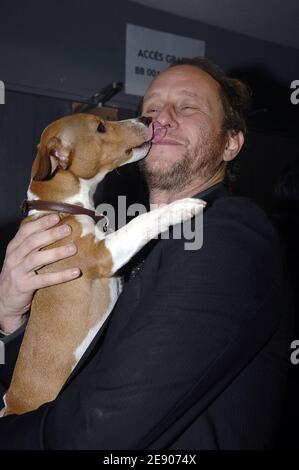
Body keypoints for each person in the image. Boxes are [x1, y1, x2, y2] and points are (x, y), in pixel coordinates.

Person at [0, 58, 293, 449]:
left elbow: (102, 427)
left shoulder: (231, 230)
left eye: (187, 107)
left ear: (230, 143)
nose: (161, 119)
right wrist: (11, 318)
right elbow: (66, 371)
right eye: (150, 109)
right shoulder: (129, 240)